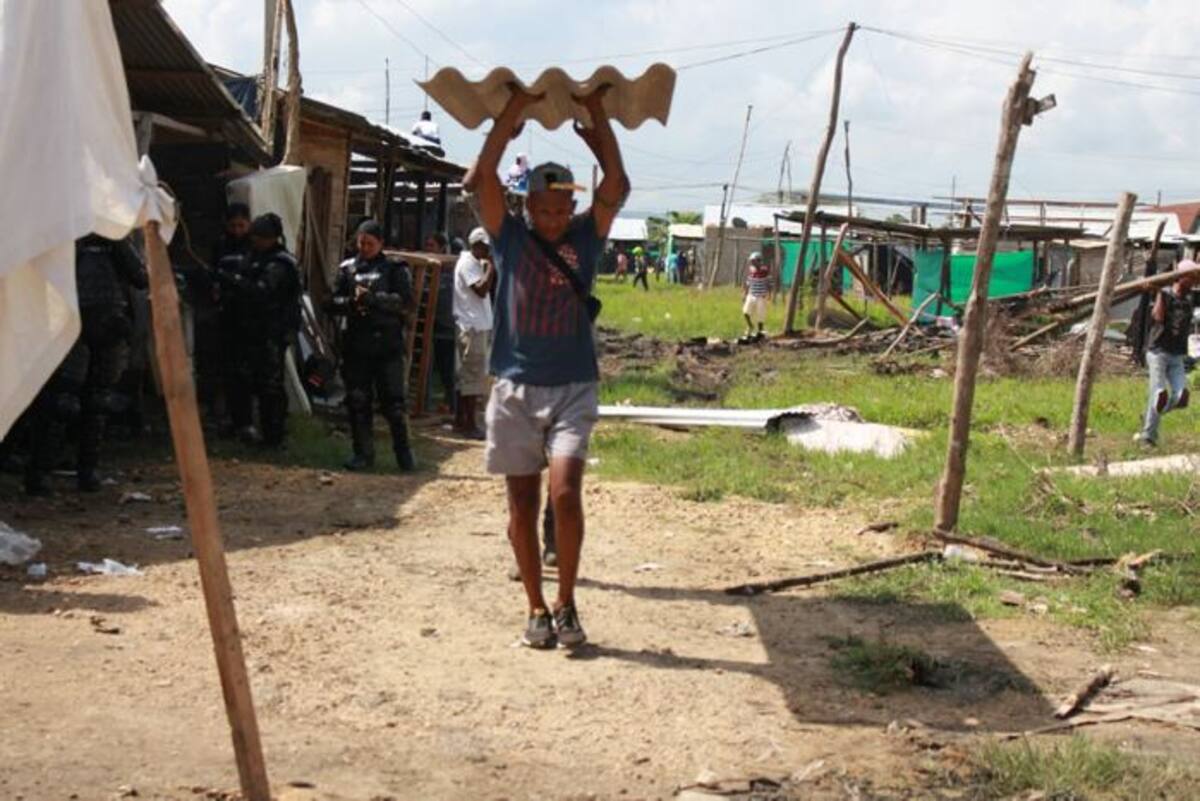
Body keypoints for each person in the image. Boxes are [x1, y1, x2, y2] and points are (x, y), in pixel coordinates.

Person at [464, 81, 629, 649]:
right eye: (545, 209)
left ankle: (566, 601)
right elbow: (483, 179)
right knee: (522, 501)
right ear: (528, 206)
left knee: (564, 494)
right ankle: (535, 606)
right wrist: (511, 114)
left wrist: (599, 121)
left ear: (573, 208)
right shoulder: (507, 238)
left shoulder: (588, 238)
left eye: (563, 209)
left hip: (573, 388)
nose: (555, 218)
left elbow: (618, 185)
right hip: (513, 387)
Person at [327, 219, 417, 471]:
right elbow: (331, 301)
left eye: (370, 243)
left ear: (381, 244)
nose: (364, 247)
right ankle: (363, 454)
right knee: (357, 401)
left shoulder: (394, 268)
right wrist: (351, 302)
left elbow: (406, 301)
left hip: (387, 345)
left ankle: (404, 455)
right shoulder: (347, 268)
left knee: (394, 405)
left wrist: (374, 299)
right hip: (357, 345)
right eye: (361, 242)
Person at [216, 213, 300, 448]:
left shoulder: (280, 263)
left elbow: (261, 291)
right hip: (248, 330)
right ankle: (243, 426)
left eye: (260, 238)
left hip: (271, 331)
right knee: (241, 379)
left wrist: (232, 280)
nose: (254, 241)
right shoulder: (252, 257)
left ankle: (274, 436)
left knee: (270, 385)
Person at [1134, 262, 1199, 447]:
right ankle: (1148, 438)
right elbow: (1158, 317)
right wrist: (1160, 293)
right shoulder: (1165, 294)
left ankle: (1150, 413)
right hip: (1158, 352)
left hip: (1177, 354)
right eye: (1192, 278)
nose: (1194, 282)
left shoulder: (1188, 300)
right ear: (1181, 278)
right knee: (1160, 394)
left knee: (1182, 397)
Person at [453, 227, 494, 439]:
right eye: (486, 247)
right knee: (472, 378)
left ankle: (461, 421)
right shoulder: (469, 263)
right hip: (472, 327)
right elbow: (481, 289)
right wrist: (490, 268)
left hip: (476, 326)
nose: (489, 251)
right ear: (476, 245)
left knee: (469, 377)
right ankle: (468, 424)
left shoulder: (474, 262)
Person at [425, 232, 457, 415]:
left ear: (442, 249)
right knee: (426, 368)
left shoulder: (452, 271)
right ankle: (425, 404)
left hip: (447, 328)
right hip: (429, 327)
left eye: (432, 245)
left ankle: (452, 405)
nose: (428, 249)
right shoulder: (426, 272)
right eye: (427, 245)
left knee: (447, 369)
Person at [742, 251, 772, 340]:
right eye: (751, 261)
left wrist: (769, 294)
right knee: (745, 312)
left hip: (761, 296)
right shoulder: (751, 270)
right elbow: (748, 282)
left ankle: (760, 332)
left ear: (759, 261)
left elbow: (769, 283)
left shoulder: (765, 271)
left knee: (760, 314)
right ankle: (750, 326)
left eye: (754, 261)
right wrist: (745, 293)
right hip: (751, 295)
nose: (752, 263)